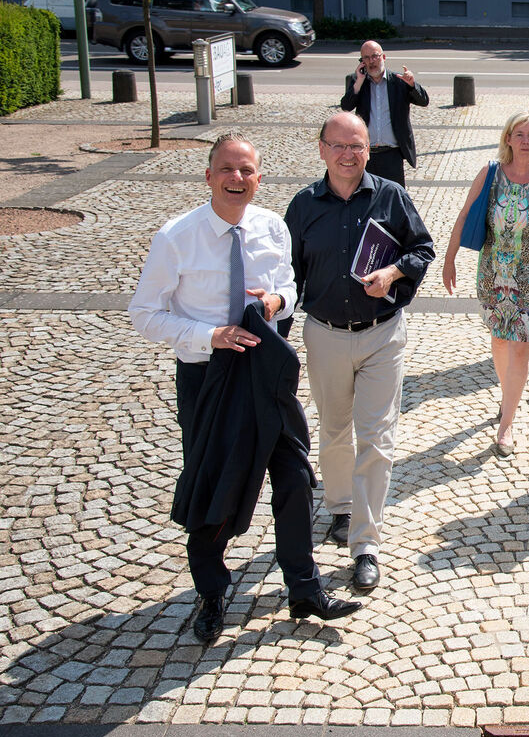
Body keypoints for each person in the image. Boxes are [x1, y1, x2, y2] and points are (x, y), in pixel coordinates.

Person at [130, 133, 361, 642]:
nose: (238, 179)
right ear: (209, 176)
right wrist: (207, 335)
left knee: (297, 476)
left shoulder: (272, 227)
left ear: (259, 178)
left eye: (247, 171)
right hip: (209, 376)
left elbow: (289, 287)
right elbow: (144, 313)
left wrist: (277, 302)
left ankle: (304, 587)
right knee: (213, 483)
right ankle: (211, 593)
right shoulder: (177, 237)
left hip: (266, 371)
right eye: (228, 170)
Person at [284, 112, 436, 593]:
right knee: (332, 430)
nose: (349, 154)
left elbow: (423, 249)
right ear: (322, 149)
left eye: (358, 146)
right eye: (339, 145)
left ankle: (366, 544)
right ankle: (340, 508)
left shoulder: (391, 196)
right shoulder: (303, 206)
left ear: (369, 150)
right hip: (325, 333)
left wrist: (393, 274)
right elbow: (287, 278)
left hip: (381, 334)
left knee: (376, 437)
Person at [441, 111, 529, 455]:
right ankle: (507, 394)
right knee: (499, 340)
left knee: (522, 345)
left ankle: (506, 422)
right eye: (520, 134)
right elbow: (466, 214)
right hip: (492, 271)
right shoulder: (490, 173)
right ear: (508, 139)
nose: (527, 141)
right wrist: (450, 258)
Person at [339, 40, 430, 186]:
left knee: (393, 199)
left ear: (384, 57)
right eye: (366, 58)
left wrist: (412, 84)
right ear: (362, 62)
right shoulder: (359, 81)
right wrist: (358, 83)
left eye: (375, 56)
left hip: (392, 155)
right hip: (366, 155)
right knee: (365, 198)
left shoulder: (399, 81)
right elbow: (346, 106)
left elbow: (424, 101)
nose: (371, 61)